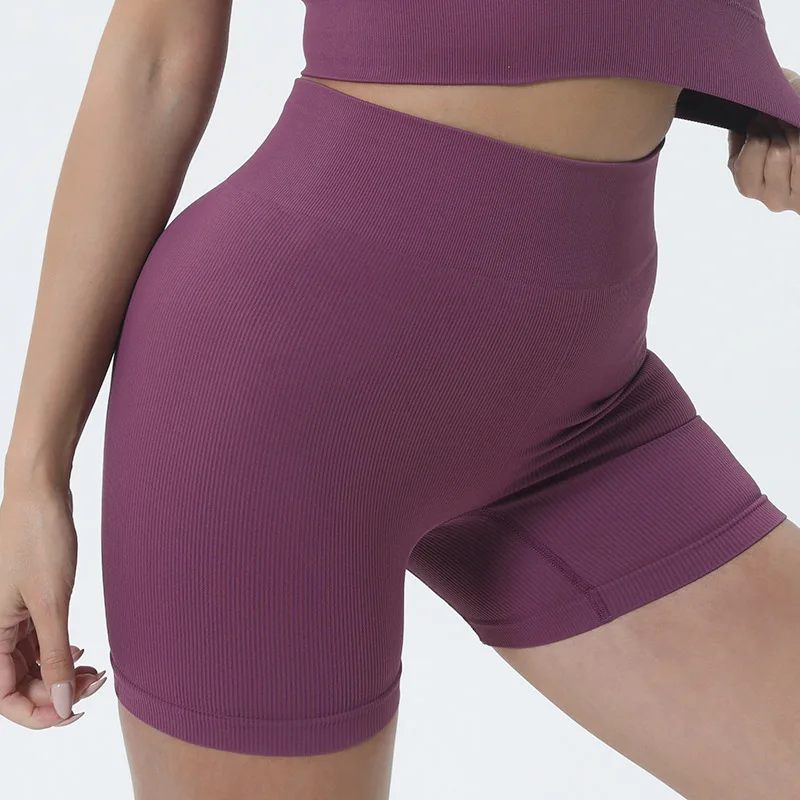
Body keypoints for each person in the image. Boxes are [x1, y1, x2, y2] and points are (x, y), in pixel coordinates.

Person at [1, 1, 799, 797]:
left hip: (588, 413)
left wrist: (756, 92)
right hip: (286, 399)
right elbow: (153, 59)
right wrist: (33, 477)